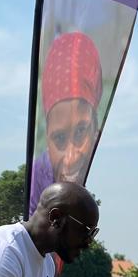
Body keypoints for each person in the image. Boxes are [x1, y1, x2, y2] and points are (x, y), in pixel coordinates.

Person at [30, 32, 102, 209]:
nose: (70, 158)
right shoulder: (39, 179)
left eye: (80, 131)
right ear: (47, 137)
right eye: (60, 138)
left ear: (96, 130)